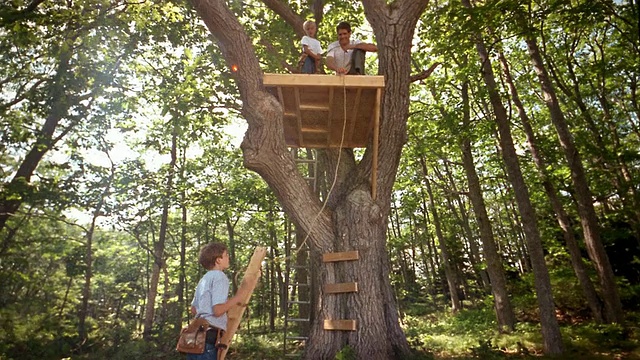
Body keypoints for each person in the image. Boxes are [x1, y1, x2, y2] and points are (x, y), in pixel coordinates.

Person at [188, 242, 249, 360]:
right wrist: (238, 298)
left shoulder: (204, 279)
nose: (228, 258)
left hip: (196, 339)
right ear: (218, 260)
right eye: (226, 255)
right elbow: (217, 310)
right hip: (208, 341)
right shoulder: (220, 277)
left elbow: (194, 309)